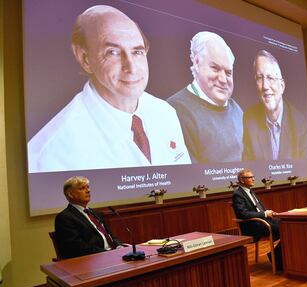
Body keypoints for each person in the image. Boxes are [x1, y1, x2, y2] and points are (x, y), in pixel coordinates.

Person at [28, 5, 191, 173]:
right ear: (85, 59)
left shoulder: (166, 113)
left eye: (137, 51)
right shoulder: (50, 153)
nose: (132, 68)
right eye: (113, 52)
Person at [167, 31, 243, 163]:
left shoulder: (237, 110)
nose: (223, 79)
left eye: (228, 72)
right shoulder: (174, 110)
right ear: (196, 62)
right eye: (215, 68)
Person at [243, 50, 307, 161]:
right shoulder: (249, 119)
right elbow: (247, 166)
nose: (265, 86)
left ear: (282, 86)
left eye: (270, 78)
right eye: (259, 78)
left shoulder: (300, 124)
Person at [55, 176, 122, 259]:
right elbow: (77, 248)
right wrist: (108, 254)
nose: (88, 190)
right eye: (82, 188)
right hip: (92, 260)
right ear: (71, 194)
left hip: (112, 254)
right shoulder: (65, 218)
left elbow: (111, 235)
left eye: (88, 187)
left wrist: (119, 247)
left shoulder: (95, 213)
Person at [232, 169, 283, 271]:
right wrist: (264, 214)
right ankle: (277, 259)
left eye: (253, 177)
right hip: (253, 225)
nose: (253, 179)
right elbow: (243, 214)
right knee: (284, 228)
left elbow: (258, 208)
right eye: (250, 177)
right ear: (242, 180)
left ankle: (277, 257)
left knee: (287, 224)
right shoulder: (238, 194)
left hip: (263, 221)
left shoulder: (251, 191)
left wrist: (268, 212)